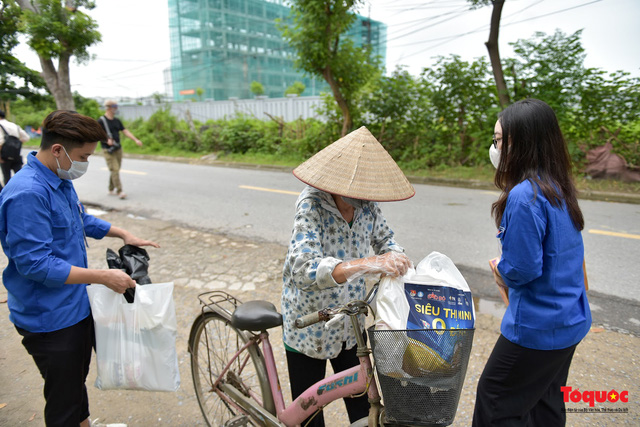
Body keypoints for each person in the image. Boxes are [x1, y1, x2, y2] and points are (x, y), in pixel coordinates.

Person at [0, 110, 160, 427]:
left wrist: (120, 232)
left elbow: (80, 219)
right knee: (64, 402)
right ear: (58, 150)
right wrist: (103, 277)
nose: (85, 163)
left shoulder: (57, 178)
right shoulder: (28, 193)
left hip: (72, 305)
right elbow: (35, 264)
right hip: (48, 317)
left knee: (73, 387)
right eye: (83, 156)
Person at [281, 126, 415, 426]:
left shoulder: (367, 205)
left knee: (365, 411)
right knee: (308, 416)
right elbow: (303, 269)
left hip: (349, 324)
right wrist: (366, 264)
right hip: (309, 324)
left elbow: (386, 241)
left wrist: (396, 257)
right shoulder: (311, 204)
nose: (364, 195)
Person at [473, 99, 592, 426]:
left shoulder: (524, 196)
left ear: (520, 144)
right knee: (545, 402)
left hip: (537, 328)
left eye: (498, 140)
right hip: (571, 320)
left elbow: (523, 270)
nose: (494, 148)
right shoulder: (557, 185)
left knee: (494, 400)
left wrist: (501, 270)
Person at [97, 100, 143, 199]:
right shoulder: (101, 121)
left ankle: (110, 188)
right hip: (107, 149)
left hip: (117, 148)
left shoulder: (117, 120)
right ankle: (120, 191)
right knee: (115, 169)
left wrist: (135, 139)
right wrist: (105, 140)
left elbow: (125, 131)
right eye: (114, 106)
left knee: (115, 169)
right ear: (108, 107)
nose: (116, 108)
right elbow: (96, 134)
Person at [0, 109, 31, 189]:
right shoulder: (14, 125)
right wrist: (15, 145)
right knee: (20, 176)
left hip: (5, 156)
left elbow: (1, 142)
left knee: (7, 177)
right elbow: (26, 137)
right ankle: (23, 190)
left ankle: (8, 195)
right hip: (16, 155)